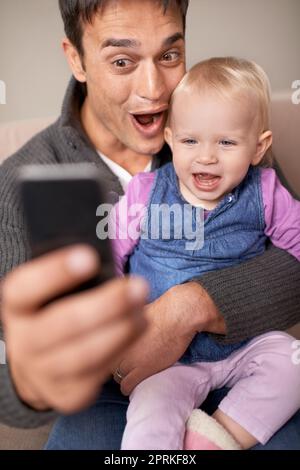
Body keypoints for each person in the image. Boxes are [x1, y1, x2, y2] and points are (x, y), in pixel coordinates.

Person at [0, 0, 299, 448]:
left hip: (245, 369)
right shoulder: (21, 181)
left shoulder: (225, 122)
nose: (154, 89)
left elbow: (291, 263)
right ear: (76, 58)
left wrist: (189, 307)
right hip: (114, 392)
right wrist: (34, 377)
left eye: (170, 55)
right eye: (122, 60)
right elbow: (14, 373)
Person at [110, 57, 300, 450]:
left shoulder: (264, 191)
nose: (207, 156)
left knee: (293, 361)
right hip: (167, 360)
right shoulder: (145, 194)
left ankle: (215, 438)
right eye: (190, 140)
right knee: (151, 410)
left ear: (258, 147)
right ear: (170, 137)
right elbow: (106, 255)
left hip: (245, 343)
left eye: (226, 142)